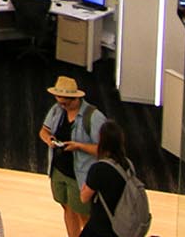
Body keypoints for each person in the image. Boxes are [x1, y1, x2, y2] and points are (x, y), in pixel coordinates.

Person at [38, 75, 107, 237]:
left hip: (80, 176)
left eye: (65, 103)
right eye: (59, 101)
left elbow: (105, 149)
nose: (62, 105)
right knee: (67, 206)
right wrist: (49, 140)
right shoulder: (57, 110)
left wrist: (79, 146)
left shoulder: (94, 117)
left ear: (75, 98)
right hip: (58, 170)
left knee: (85, 215)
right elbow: (44, 131)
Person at [78, 123, 132, 237]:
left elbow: (84, 197)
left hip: (101, 226)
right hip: (123, 223)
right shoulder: (128, 164)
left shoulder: (98, 169)